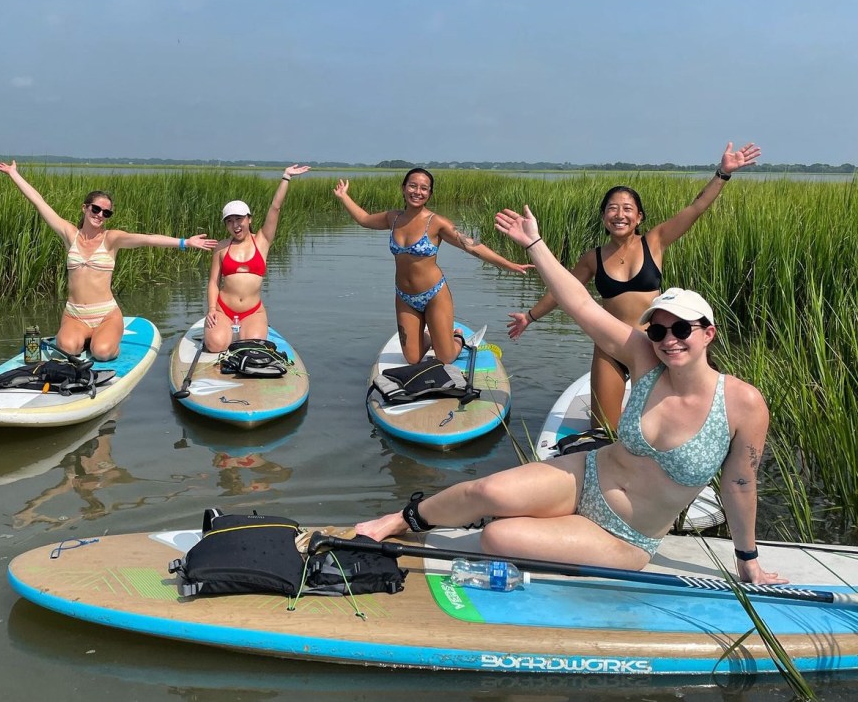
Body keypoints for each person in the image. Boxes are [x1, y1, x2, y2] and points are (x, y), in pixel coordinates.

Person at [356, 204, 785, 586]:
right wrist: (535, 244)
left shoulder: (742, 404)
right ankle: (398, 519)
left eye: (681, 329)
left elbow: (741, 484)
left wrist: (747, 559)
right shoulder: (645, 358)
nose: (668, 340)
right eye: (657, 329)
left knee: (497, 536)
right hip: (587, 476)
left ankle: (549, 530)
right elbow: (581, 303)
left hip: (626, 535)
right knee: (486, 493)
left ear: (708, 333)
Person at [507, 142, 761, 430]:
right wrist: (529, 316)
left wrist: (723, 173)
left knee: (657, 425)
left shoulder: (655, 242)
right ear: (604, 218)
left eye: (628, 209)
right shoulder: (592, 258)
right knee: (602, 429)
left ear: (639, 217)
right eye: (612, 209)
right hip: (610, 347)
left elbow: (696, 207)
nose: (620, 214)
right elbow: (561, 291)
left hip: (652, 345)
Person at [0, 161, 216, 361]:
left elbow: (148, 239)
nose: (100, 215)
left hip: (105, 315)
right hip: (75, 314)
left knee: (103, 353)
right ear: (85, 208)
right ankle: (82, 339)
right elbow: (39, 203)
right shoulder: (70, 235)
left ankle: (104, 342)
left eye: (106, 213)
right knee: (67, 348)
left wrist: (185, 242)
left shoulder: (111, 239)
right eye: (96, 209)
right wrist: (14, 174)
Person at [334, 167, 532, 365]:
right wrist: (343, 196)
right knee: (412, 359)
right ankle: (431, 338)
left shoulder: (436, 223)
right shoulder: (393, 218)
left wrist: (507, 264)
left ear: (429, 194)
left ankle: (457, 338)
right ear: (403, 188)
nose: (417, 192)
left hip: (434, 295)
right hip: (404, 297)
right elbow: (364, 219)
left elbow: (471, 246)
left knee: (445, 358)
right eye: (412, 186)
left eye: (424, 188)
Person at [204, 165, 310, 351]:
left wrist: (286, 177)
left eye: (239, 219)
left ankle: (245, 332)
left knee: (252, 347)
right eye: (229, 221)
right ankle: (222, 332)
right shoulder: (221, 248)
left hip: (252, 311)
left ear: (249, 219)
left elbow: (275, 208)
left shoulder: (262, 241)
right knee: (215, 345)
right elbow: (214, 282)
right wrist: (212, 309)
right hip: (224, 310)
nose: (235, 225)